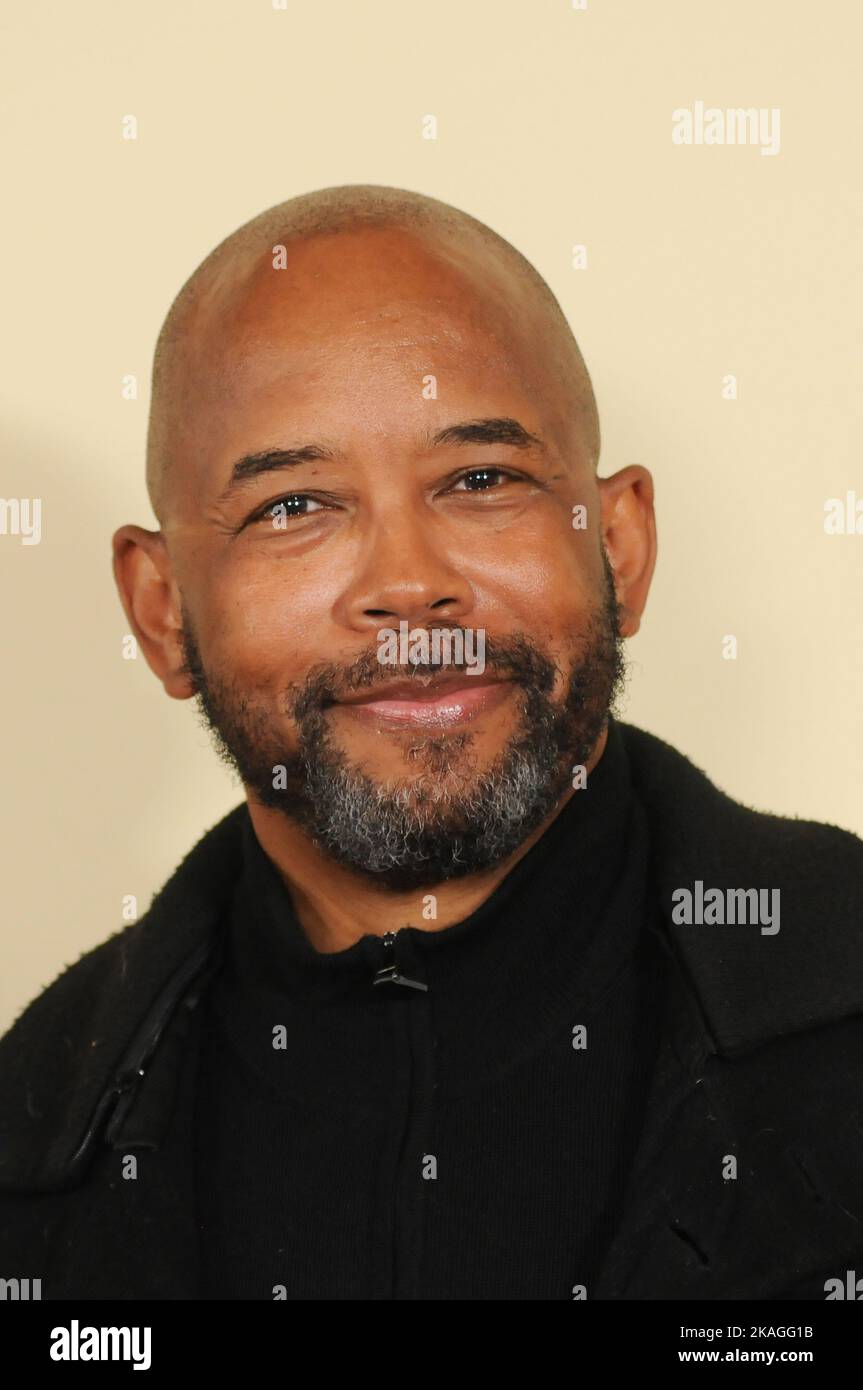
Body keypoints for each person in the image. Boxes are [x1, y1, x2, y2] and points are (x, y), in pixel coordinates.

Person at [2, 185, 862, 1301]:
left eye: (481, 480)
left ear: (621, 544)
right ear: (162, 613)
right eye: (293, 505)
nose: (407, 584)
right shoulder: (31, 1142)